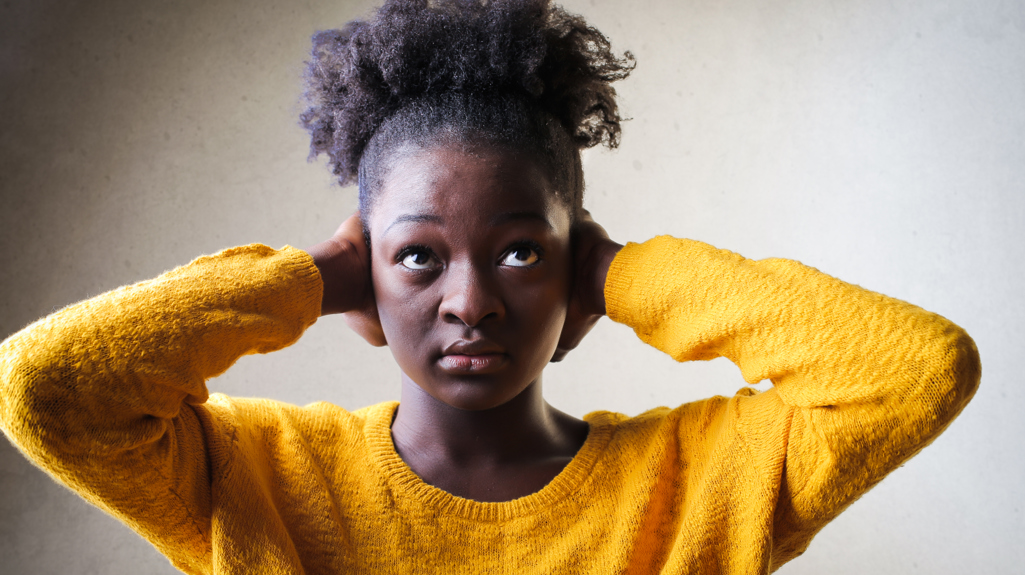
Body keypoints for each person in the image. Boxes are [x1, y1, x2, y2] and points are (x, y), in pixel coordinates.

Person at [0, 0, 980, 573]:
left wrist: (620, 272)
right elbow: (41, 388)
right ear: (366, 272)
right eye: (418, 256)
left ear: (572, 266)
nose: (468, 301)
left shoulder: (692, 487)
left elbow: (918, 371)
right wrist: (305, 280)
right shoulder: (254, 477)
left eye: (519, 252)